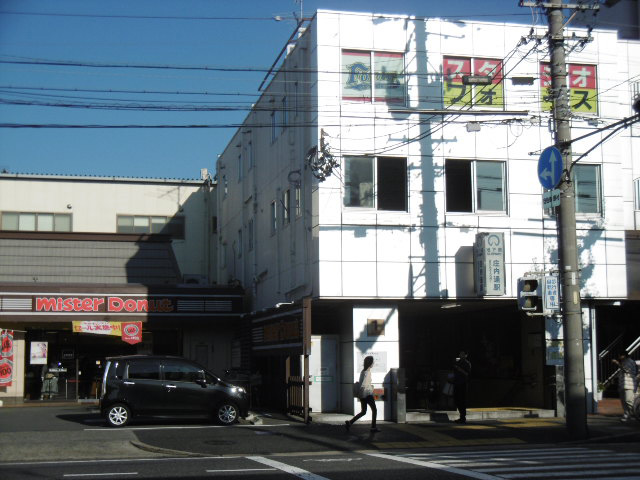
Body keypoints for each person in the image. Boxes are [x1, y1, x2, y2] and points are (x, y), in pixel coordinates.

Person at [345, 356, 380, 433]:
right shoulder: (367, 373)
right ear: (370, 363)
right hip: (367, 394)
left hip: (363, 395)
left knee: (363, 411)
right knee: (374, 410)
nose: (373, 363)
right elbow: (364, 385)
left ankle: (350, 423)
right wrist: (370, 389)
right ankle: (373, 427)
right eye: (372, 362)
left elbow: (362, 384)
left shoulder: (363, 371)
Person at [612, 352, 638, 422]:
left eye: (620, 355)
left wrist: (617, 363)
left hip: (629, 385)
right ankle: (627, 415)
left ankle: (634, 414)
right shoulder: (624, 362)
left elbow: (626, 369)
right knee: (623, 401)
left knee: (628, 400)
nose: (619, 357)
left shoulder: (630, 361)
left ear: (624, 355)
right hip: (623, 384)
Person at [453, 350, 471, 424]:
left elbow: (467, 374)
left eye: (463, 354)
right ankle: (461, 416)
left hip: (463, 384)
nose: (461, 355)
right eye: (460, 354)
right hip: (456, 383)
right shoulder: (458, 362)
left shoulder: (467, 363)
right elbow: (454, 371)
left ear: (466, 355)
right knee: (456, 400)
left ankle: (463, 417)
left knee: (462, 401)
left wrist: (460, 369)